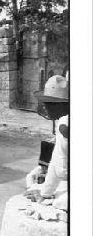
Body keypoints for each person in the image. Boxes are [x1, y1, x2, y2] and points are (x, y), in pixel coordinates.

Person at [24, 75, 69, 211]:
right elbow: (57, 162)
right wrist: (45, 193)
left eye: (48, 104)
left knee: (60, 203)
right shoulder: (63, 122)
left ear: (60, 104)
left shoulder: (65, 125)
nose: (45, 108)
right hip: (62, 174)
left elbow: (59, 165)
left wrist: (46, 195)